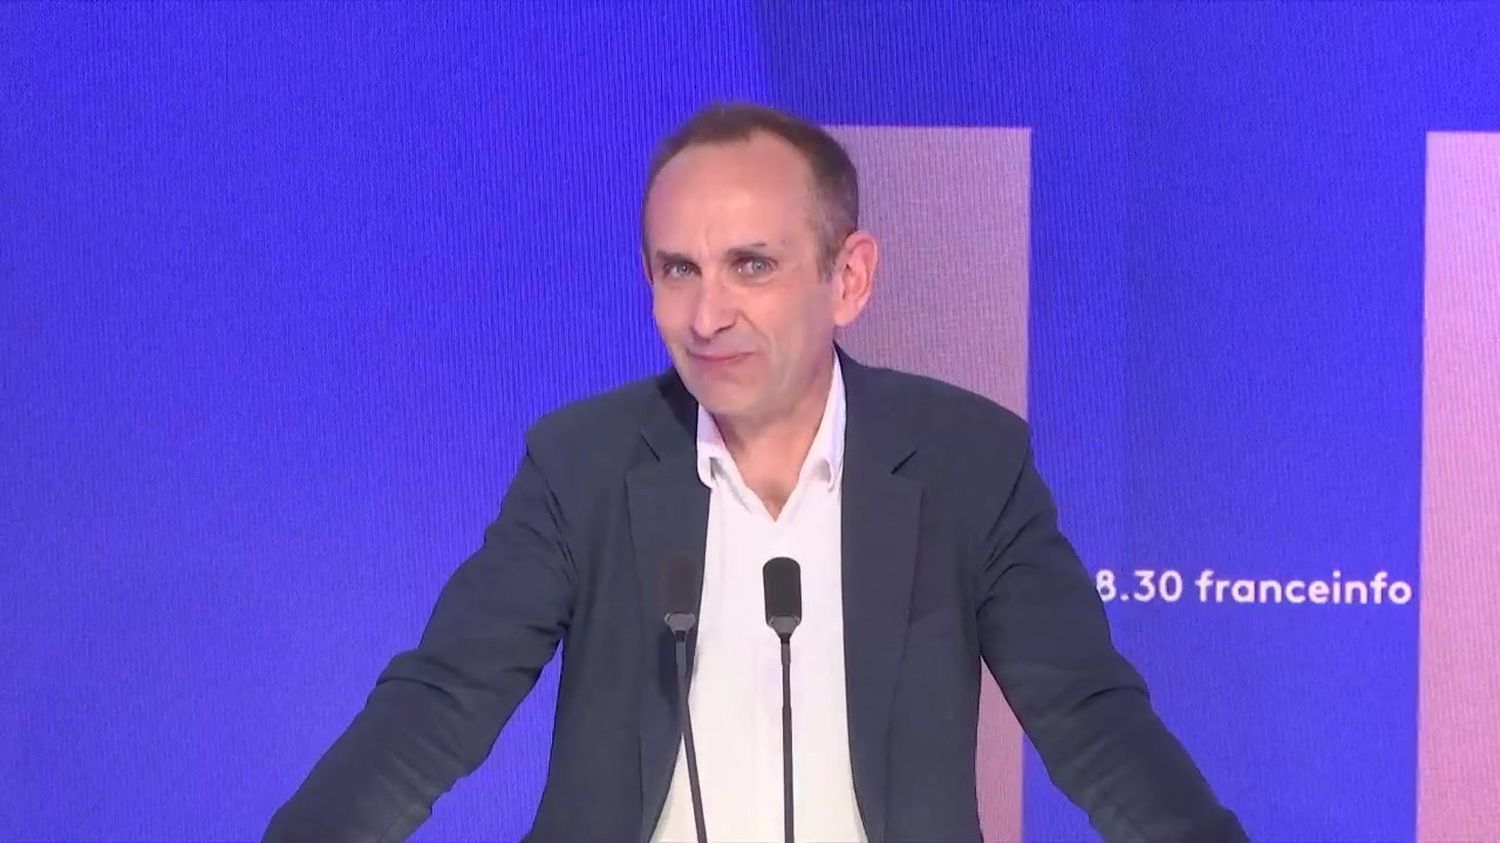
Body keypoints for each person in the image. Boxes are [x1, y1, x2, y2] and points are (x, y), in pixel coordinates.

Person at [265, 102, 1246, 843]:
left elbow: (1089, 721)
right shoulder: (583, 462)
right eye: (678, 269)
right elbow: (439, 705)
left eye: (752, 266)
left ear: (848, 277)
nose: (707, 316)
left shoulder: (966, 461)